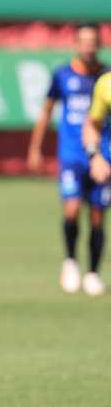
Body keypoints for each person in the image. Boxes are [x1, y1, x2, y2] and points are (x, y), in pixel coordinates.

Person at [27, 23, 108, 295]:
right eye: (83, 41)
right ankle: (71, 260)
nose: (88, 46)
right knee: (72, 209)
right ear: (76, 44)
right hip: (73, 154)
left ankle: (94, 273)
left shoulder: (106, 78)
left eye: (93, 41)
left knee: (98, 215)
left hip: (104, 159)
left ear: (100, 44)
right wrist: (35, 148)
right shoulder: (62, 75)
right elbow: (47, 112)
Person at [82, 67, 111, 295]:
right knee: (97, 215)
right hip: (108, 164)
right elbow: (92, 124)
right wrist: (95, 156)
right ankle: (92, 272)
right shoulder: (105, 84)